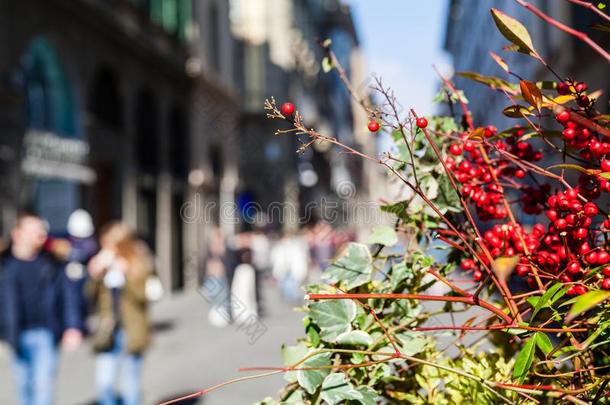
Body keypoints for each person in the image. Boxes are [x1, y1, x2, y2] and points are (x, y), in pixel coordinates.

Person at [0, 212, 82, 405]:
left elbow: (68, 296)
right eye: (33, 230)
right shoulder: (4, 265)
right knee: (23, 386)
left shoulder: (51, 262)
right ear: (17, 234)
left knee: (43, 385)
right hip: (15, 334)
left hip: (45, 332)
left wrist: (73, 326)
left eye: (41, 229)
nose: (39, 234)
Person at [87, 222, 153, 405]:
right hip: (107, 332)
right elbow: (89, 296)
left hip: (131, 331)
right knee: (104, 384)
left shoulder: (138, 263)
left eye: (110, 244)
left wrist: (126, 276)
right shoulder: (103, 267)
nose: (107, 249)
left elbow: (143, 297)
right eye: (104, 244)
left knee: (129, 384)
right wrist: (94, 275)